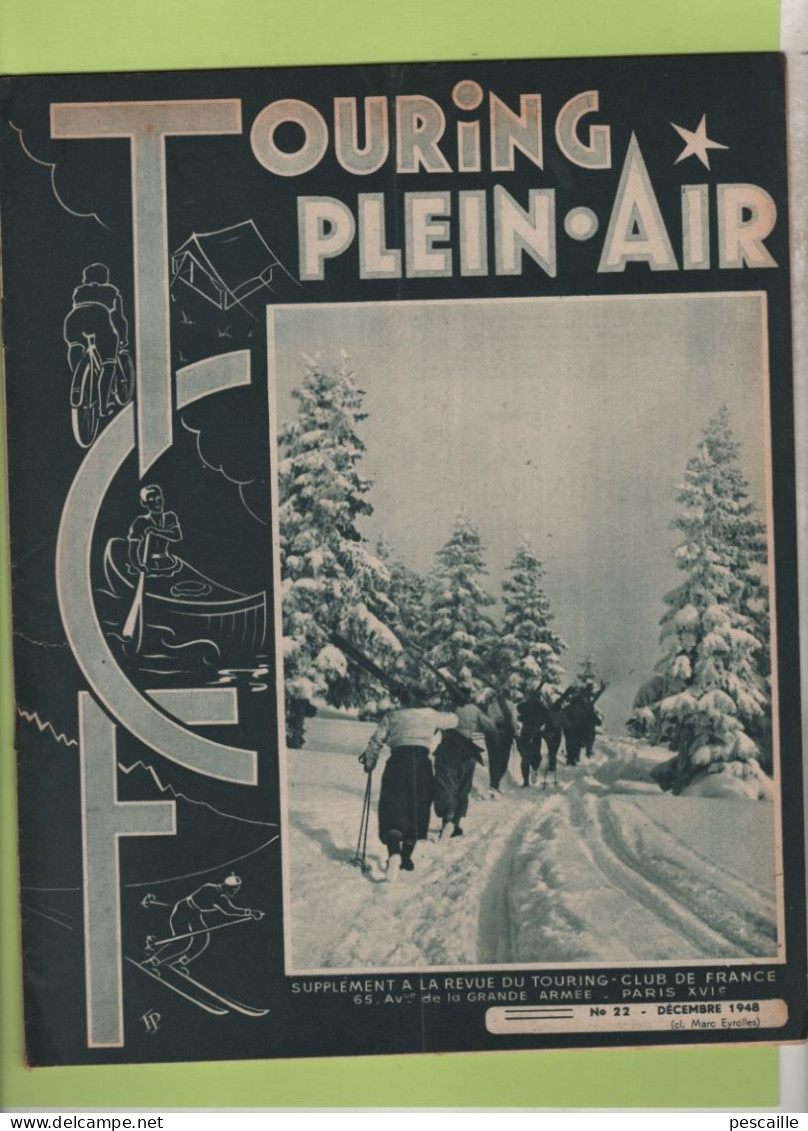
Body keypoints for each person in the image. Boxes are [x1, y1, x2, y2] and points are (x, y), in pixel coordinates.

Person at [360, 689, 457, 881]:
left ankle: (394, 853)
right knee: (417, 809)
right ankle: (405, 857)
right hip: (421, 764)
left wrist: (370, 761)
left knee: (393, 808)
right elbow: (454, 720)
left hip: (397, 763)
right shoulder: (431, 715)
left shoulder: (392, 716)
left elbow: (376, 741)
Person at [144, 873, 264, 970]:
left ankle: (180, 963)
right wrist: (251, 912)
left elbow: (228, 908)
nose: (235, 892)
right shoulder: (213, 891)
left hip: (194, 913)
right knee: (182, 941)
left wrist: (251, 912)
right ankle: (153, 961)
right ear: (227, 887)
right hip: (183, 910)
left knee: (202, 939)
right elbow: (230, 910)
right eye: (234, 889)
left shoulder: (219, 894)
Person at [64, 262, 129, 415]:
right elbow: (119, 318)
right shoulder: (111, 290)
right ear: (104, 277)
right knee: (108, 362)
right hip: (98, 316)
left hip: (73, 319)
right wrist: (123, 338)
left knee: (75, 345)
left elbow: (81, 307)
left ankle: (78, 382)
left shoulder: (78, 291)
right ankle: (104, 407)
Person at [433, 697, 497, 837]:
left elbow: (433, 726)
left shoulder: (447, 708)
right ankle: (455, 823)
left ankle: (447, 818)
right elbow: (491, 726)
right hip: (467, 752)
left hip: (447, 750)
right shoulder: (475, 710)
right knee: (463, 787)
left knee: (446, 784)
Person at [127, 484, 183, 577]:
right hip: (148, 565)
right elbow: (133, 549)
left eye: (158, 497)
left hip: (167, 562)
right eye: (151, 500)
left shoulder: (170, 517)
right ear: (144, 503)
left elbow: (177, 536)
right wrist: (138, 566)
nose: (157, 502)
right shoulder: (140, 522)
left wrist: (156, 531)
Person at [484, 691, 516, 797]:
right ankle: (494, 784)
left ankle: (494, 784)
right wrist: (515, 732)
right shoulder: (510, 705)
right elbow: (513, 721)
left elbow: (489, 720)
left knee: (493, 760)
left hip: (491, 734)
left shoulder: (490, 706)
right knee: (503, 761)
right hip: (505, 734)